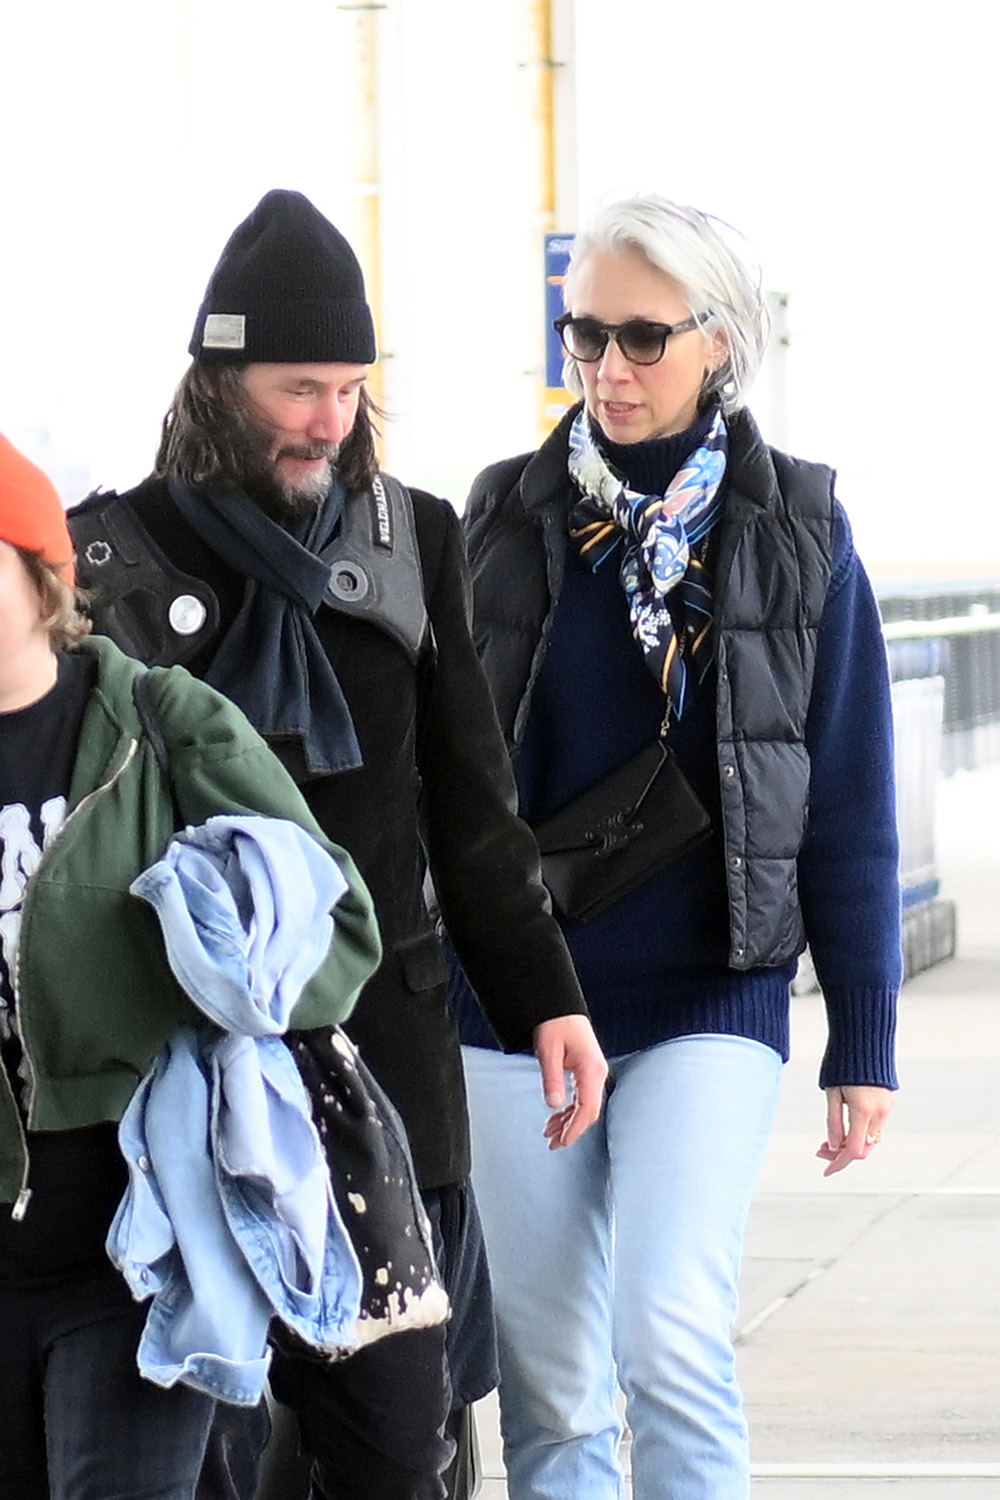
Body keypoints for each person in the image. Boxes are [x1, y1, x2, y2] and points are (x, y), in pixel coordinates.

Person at [69, 187, 607, 1500]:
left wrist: (548, 1002)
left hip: (389, 1072)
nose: (330, 423)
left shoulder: (413, 539)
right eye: (299, 388)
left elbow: (472, 813)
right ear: (218, 379)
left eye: (352, 390)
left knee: (406, 1450)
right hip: (189, 1091)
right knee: (222, 1451)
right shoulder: (112, 560)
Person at [450, 193, 902, 1500]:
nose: (608, 368)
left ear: (721, 341)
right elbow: (457, 782)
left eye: (643, 338)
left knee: (671, 1335)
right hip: (519, 1008)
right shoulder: (502, 517)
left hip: (710, 986)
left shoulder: (797, 530)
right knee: (548, 1382)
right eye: (584, 335)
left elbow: (850, 803)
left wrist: (860, 1037)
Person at [0, 430, 381, 1500]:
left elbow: (340, 928)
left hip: (134, 1241)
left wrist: (217, 974)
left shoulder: (159, 725)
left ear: (41, 576)